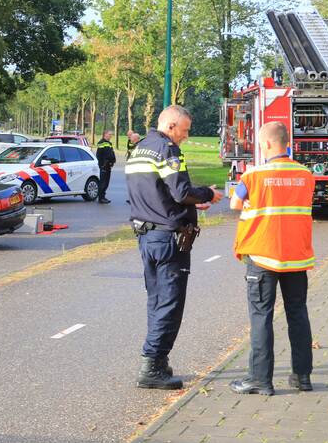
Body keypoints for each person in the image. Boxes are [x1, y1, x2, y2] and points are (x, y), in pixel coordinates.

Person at [127, 105, 223, 389]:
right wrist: (208, 193)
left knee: (156, 300)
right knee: (170, 302)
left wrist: (195, 203)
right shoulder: (167, 150)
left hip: (146, 236)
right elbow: (181, 191)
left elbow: (157, 193)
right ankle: (152, 365)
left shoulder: (140, 149)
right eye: (185, 129)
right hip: (169, 240)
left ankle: (157, 362)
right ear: (171, 126)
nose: (186, 135)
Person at [228, 122, 315, 396]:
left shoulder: (253, 175)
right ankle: (302, 377)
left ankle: (260, 379)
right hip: (296, 257)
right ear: (286, 143)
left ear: (266, 144)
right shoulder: (305, 174)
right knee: (298, 315)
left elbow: (235, 204)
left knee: (261, 317)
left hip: (263, 255)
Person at [95, 130, 115, 204]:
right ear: (105, 134)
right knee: (103, 182)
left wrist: (112, 161)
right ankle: (101, 198)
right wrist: (102, 165)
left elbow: (111, 153)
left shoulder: (109, 143)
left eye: (111, 134)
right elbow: (99, 155)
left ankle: (103, 196)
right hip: (104, 166)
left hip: (108, 165)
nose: (111, 136)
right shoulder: (101, 143)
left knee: (106, 182)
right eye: (110, 134)